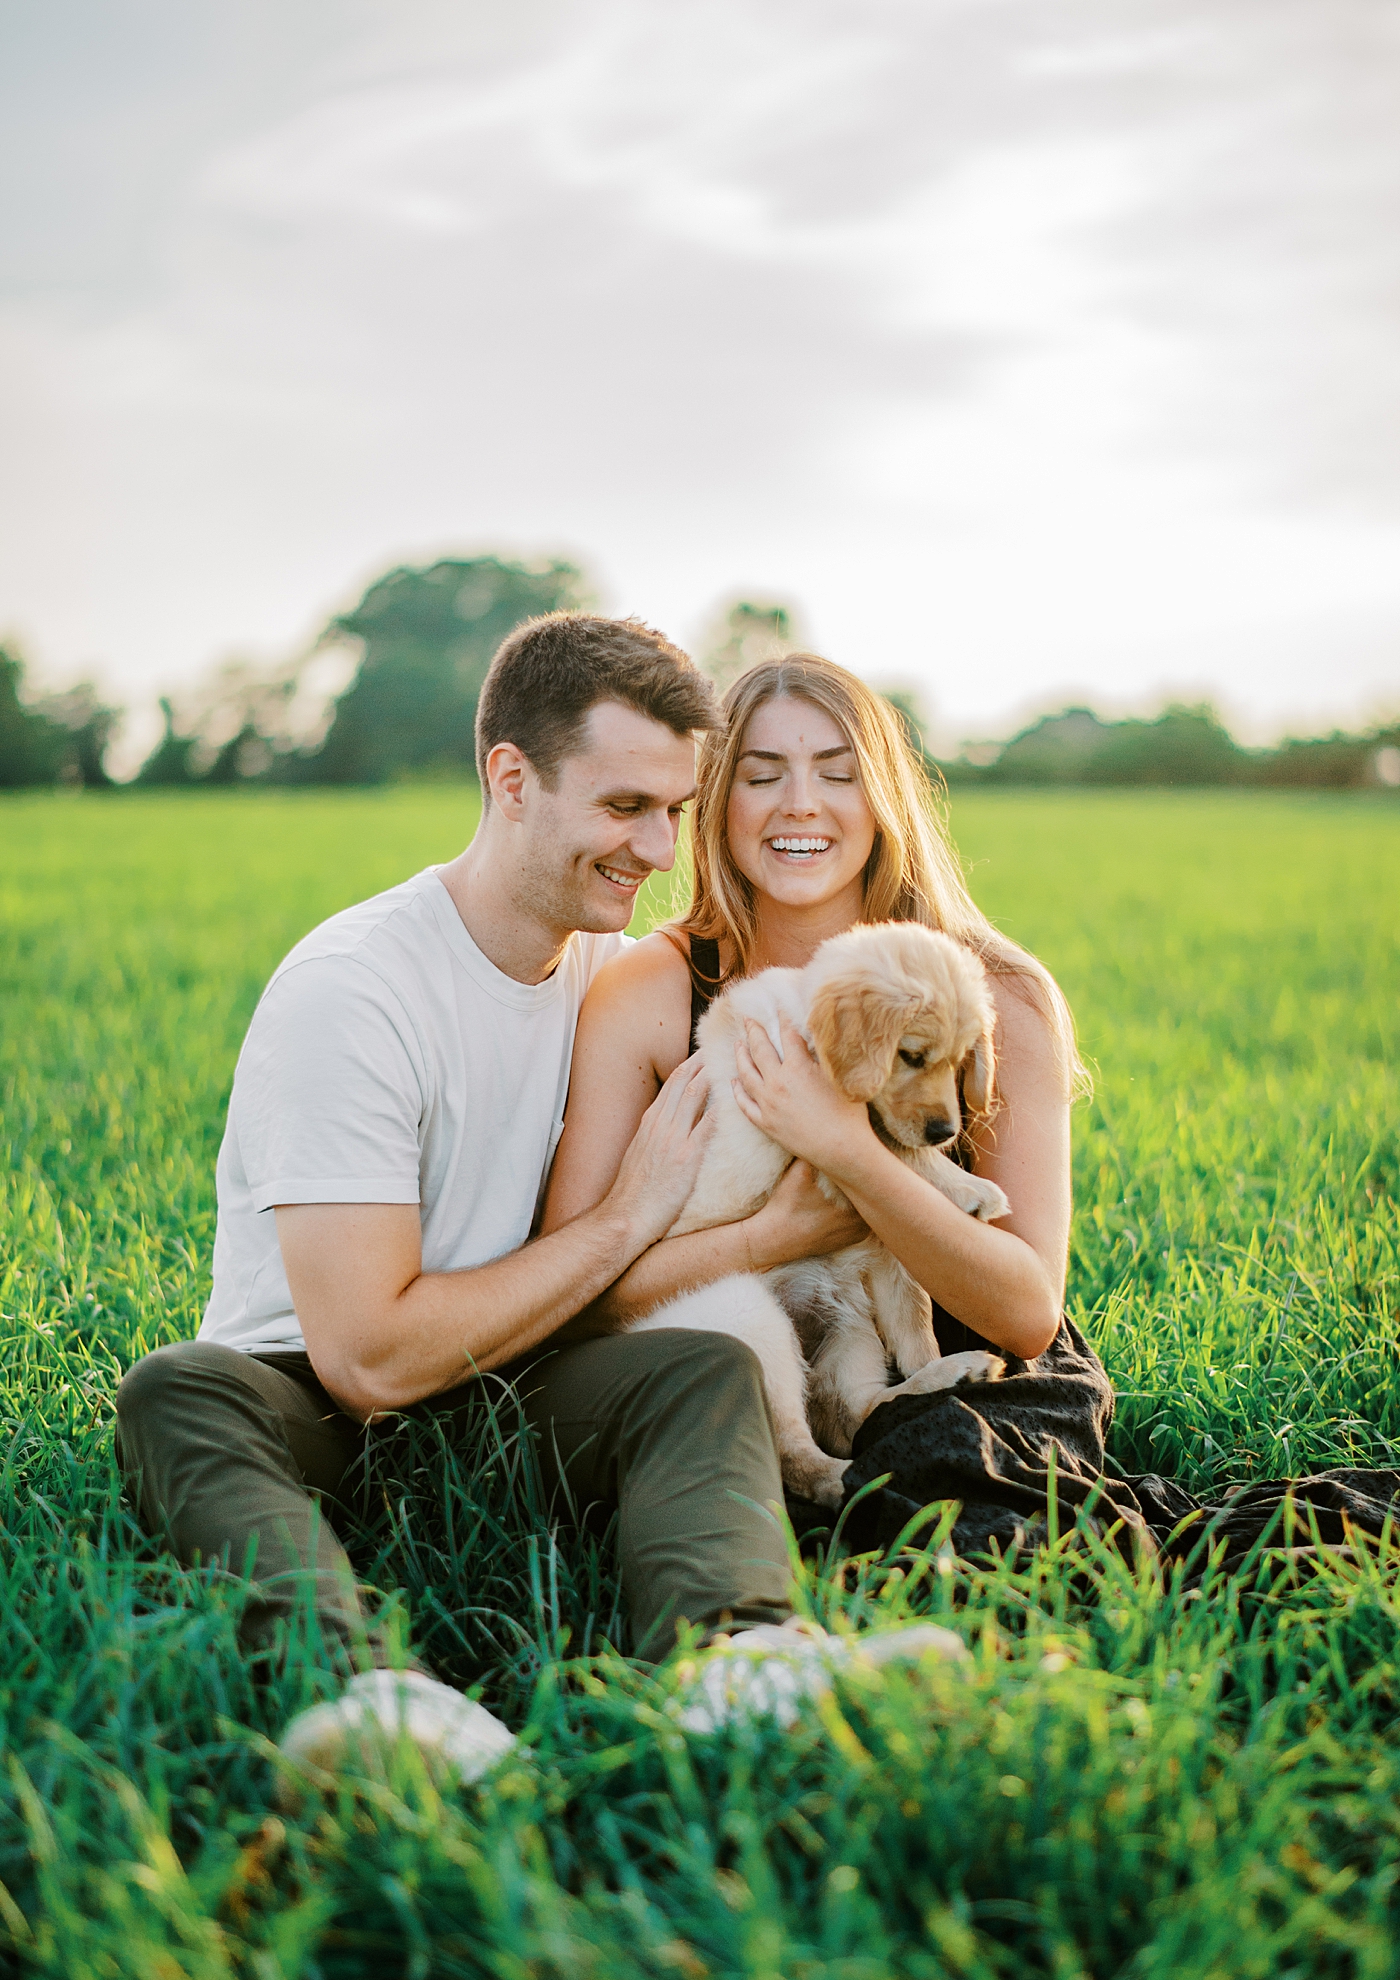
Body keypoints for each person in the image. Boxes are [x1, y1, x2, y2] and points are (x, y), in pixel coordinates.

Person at [115, 612, 805, 1794]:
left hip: (513, 1385)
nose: (659, 849)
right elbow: (368, 1360)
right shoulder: (356, 990)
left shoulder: (612, 978)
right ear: (510, 779)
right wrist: (622, 1223)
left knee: (697, 1368)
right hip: (318, 1410)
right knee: (177, 1390)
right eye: (624, 807)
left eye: (673, 813)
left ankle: (740, 1669)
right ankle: (374, 1702)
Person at [544, 651, 1083, 1438]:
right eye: (763, 776)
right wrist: (776, 1236)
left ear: (884, 798)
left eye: (838, 773)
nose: (800, 805)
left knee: (957, 1503)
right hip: (721, 1353)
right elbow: (571, 1297)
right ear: (720, 802)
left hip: (971, 1367)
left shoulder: (995, 994)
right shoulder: (653, 990)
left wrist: (846, 1153)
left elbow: (1027, 1316)